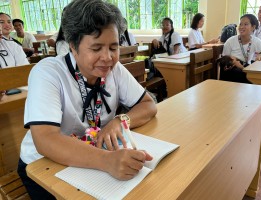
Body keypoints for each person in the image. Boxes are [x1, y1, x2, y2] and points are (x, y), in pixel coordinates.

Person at [18, 0, 157, 199]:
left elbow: (148, 105)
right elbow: (45, 140)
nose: (108, 57)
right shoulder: (48, 72)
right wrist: (107, 161)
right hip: (43, 165)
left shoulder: (114, 70)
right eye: (96, 48)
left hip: (93, 152)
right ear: (73, 46)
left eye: (113, 47)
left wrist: (121, 120)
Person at [222, 14, 261, 83]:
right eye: (240, 24)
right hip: (232, 69)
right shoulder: (231, 41)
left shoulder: (255, 40)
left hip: (245, 68)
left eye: (246, 24)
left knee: (260, 76)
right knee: (240, 73)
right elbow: (225, 59)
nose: (242, 27)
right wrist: (233, 61)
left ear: (253, 27)